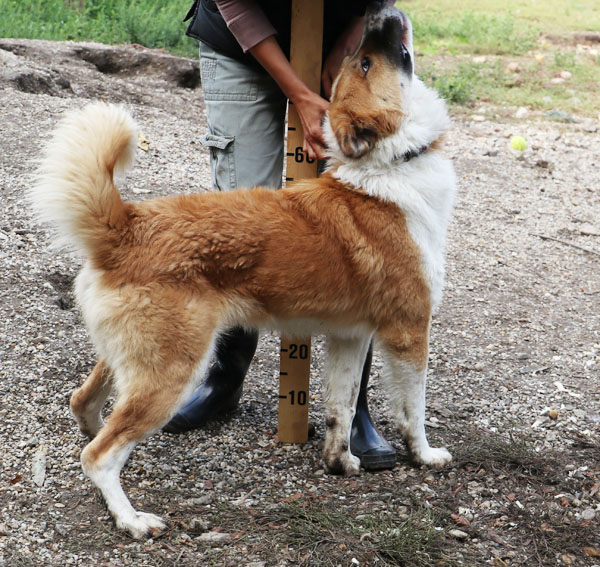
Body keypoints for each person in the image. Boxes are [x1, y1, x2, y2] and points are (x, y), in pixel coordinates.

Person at [164, 0, 397, 471]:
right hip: (241, 49)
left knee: (356, 223)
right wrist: (299, 91)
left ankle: (352, 410)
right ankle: (225, 380)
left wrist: (351, 40)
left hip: (346, 50)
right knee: (242, 221)